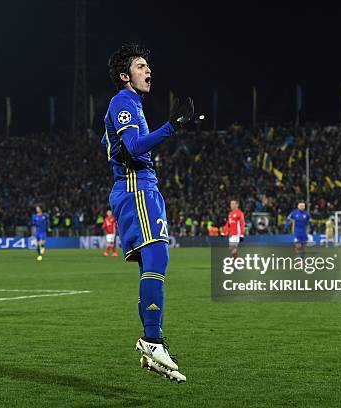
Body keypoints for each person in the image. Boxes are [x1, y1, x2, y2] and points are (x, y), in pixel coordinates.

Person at [101, 44, 193, 382]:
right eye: (141, 66)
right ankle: (152, 341)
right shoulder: (123, 101)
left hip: (140, 189)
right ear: (125, 76)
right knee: (157, 258)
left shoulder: (130, 105)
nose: (148, 70)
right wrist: (171, 126)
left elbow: (108, 142)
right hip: (137, 189)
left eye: (148, 66)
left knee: (152, 264)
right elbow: (134, 147)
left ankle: (153, 344)